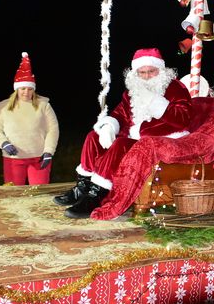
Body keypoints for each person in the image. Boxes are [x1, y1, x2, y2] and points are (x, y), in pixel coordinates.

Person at [54, 48, 192, 219]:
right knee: (94, 137)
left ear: (161, 70)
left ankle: (98, 194)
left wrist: (153, 106)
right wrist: (109, 126)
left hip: (160, 141)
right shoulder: (133, 91)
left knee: (121, 144)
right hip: (135, 138)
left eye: (151, 71)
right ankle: (83, 187)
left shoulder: (175, 87)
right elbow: (120, 114)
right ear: (136, 73)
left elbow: (183, 118)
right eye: (142, 72)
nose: (147, 76)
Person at [0, 52, 59, 185]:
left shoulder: (44, 105)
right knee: (14, 193)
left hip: (39, 157)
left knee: (38, 193)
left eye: (29, 89)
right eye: (22, 89)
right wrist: (4, 143)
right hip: (13, 157)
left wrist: (49, 151)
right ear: (16, 89)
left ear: (34, 89)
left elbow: (53, 130)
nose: (26, 92)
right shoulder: (3, 106)